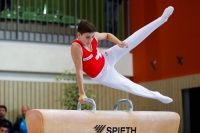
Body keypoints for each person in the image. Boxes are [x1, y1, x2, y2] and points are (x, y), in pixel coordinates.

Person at [71, 6, 174, 104]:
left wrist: (119, 42)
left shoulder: (92, 36)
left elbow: (107, 35)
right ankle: (156, 96)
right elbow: (79, 70)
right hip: (103, 75)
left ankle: (162, 19)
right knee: (129, 86)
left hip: (106, 57)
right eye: (87, 37)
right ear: (79, 35)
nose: (90, 40)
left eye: (92, 36)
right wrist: (82, 93)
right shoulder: (76, 47)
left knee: (130, 41)